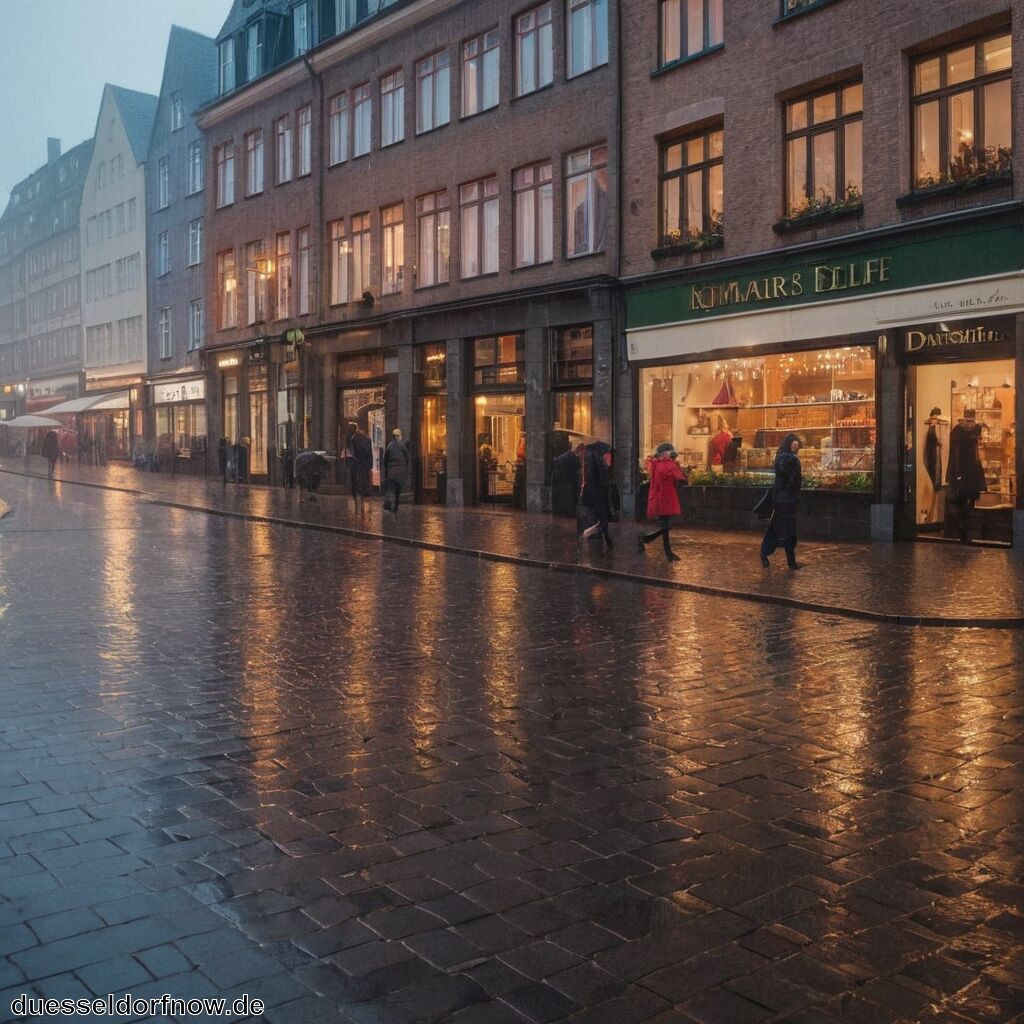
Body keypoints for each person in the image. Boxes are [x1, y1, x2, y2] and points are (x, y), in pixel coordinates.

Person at [760, 433, 803, 569]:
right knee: (787, 530)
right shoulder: (790, 459)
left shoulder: (780, 456)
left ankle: (765, 553)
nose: (796, 447)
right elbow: (792, 480)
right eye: (794, 445)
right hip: (787, 500)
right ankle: (791, 562)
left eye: (797, 445)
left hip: (781, 499)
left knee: (777, 529)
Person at [638, 442, 686, 561]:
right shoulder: (666, 465)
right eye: (670, 452)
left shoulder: (656, 464)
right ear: (665, 453)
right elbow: (680, 477)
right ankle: (650, 541)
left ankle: (662, 548)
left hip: (663, 498)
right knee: (668, 525)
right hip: (666, 498)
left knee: (666, 526)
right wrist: (675, 464)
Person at [947, 409, 985, 543]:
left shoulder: (958, 430)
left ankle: (962, 532)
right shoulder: (974, 430)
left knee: (961, 503)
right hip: (969, 472)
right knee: (967, 504)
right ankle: (965, 532)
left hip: (962, 472)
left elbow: (954, 452)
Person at [578, 441, 614, 548]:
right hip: (598, 492)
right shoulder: (598, 459)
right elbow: (600, 477)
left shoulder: (591, 457)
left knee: (597, 514)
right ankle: (602, 535)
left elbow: (590, 476)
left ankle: (601, 535)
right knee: (600, 514)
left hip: (595, 491)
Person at [346, 421, 374, 512]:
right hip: (365, 464)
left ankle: (357, 505)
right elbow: (370, 453)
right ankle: (362, 502)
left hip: (357, 464)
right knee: (363, 482)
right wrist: (370, 464)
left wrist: (350, 462)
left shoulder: (353, 439)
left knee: (356, 484)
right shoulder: (367, 439)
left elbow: (352, 454)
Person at [383, 427, 410, 512]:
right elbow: (407, 457)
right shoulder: (402, 445)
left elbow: (385, 459)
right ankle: (396, 506)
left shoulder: (389, 446)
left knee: (391, 487)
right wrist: (405, 466)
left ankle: (389, 504)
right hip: (401, 470)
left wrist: (386, 470)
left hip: (392, 469)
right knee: (398, 487)